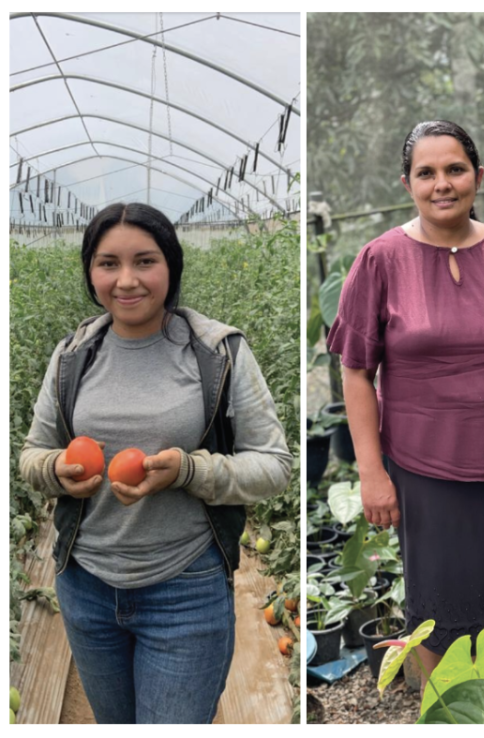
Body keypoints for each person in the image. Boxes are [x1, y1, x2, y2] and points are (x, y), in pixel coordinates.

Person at [326, 120, 484, 688]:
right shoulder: (379, 260)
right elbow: (355, 373)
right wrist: (372, 473)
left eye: (455, 169)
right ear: (407, 184)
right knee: (436, 606)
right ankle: (441, 710)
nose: (442, 183)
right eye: (427, 173)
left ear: (478, 177)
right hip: (428, 470)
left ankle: (483, 706)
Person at [19, 203, 293, 724]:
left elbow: (274, 465)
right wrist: (57, 471)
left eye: (145, 261)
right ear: (90, 271)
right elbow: (31, 453)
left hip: (185, 591)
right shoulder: (73, 354)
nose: (126, 280)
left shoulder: (218, 352)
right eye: (108, 264)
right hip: (86, 587)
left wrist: (190, 471)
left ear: (171, 265)